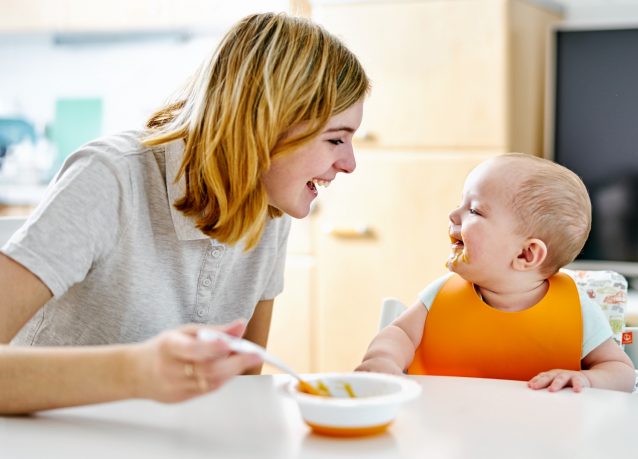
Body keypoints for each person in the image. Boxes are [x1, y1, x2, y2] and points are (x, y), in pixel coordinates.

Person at [0, 12, 369, 414]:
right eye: (335, 139)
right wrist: (135, 372)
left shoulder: (270, 210)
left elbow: (241, 389)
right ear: (265, 124)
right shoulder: (110, 177)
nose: (349, 164)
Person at [356, 153, 635, 392]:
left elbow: (621, 373)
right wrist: (383, 360)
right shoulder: (440, 296)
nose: (454, 214)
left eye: (474, 211)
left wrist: (586, 379)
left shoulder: (577, 311)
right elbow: (400, 334)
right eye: (460, 203)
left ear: (526, 254)